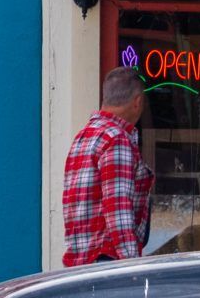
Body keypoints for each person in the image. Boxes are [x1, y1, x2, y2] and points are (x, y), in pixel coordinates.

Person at [61, 68, 154, 267]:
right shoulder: (116, 140)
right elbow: (117, 210)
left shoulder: (84, 137)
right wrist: (132, 266)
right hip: (107, 263)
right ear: (138, 102)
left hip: (80, 264)